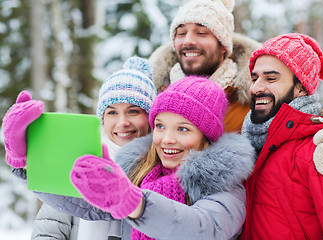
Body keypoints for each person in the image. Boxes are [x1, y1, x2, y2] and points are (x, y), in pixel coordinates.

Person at [4, 76, 255, 240]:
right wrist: (27, 160)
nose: (166, 139)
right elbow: (83, 202)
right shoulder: (141, 172)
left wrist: (134, 202)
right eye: (159, 125)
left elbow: (202, 228)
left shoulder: (225, 185)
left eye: (182, 129)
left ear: (206, 136)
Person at [2, 56, 157, 240]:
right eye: (112, 112)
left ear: (150, 116)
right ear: (103, 119)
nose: (122, 123)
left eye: (133, 111)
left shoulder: (163, 170)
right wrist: (25, 160)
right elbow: (49, 229)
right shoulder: (80, 162)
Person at [238, 33, 323, 239]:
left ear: (301, 87)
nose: (256, 87)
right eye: (254, 78)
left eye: (271, 78)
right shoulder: (250, 144)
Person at [148, 0, 261, 133]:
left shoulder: (253, 104)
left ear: (223, 46)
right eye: (181, 33)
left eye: (201, 33)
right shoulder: (154, 99)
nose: (188, 41)